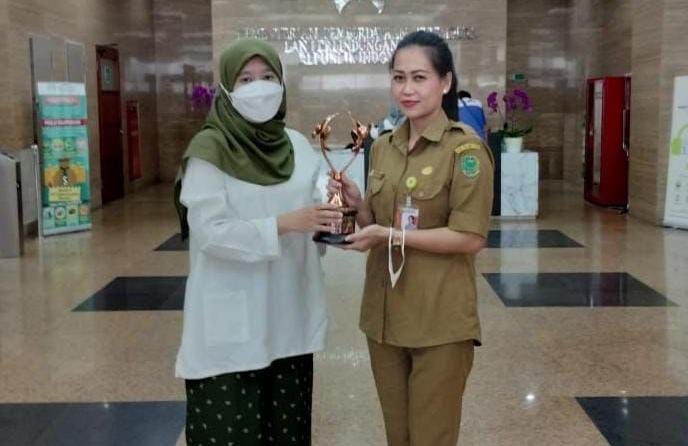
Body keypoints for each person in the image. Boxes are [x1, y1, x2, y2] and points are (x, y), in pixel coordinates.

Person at [173, 38, 342, 446]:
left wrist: (335, 209)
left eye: (268, 77)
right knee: (231, 431)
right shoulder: (209, 151)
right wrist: (282, 224)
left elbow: (317, 214)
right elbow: (210, 232)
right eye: (246, 79)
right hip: (232, 320)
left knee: (287, 431)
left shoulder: (297, 146)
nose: (259, 88)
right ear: (227, 88)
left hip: (289, 313)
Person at [329, 31, 494, 446]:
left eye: (419, 78)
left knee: (430, 438)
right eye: (399, 77)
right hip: (385, 319)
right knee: (398, 436)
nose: (407, 89)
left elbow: (469, 237)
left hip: (439, 321)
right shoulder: (383, 147)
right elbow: (375, 221)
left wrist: (391, 234)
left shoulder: (465, 152)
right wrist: (357, 204)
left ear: (445, 82)